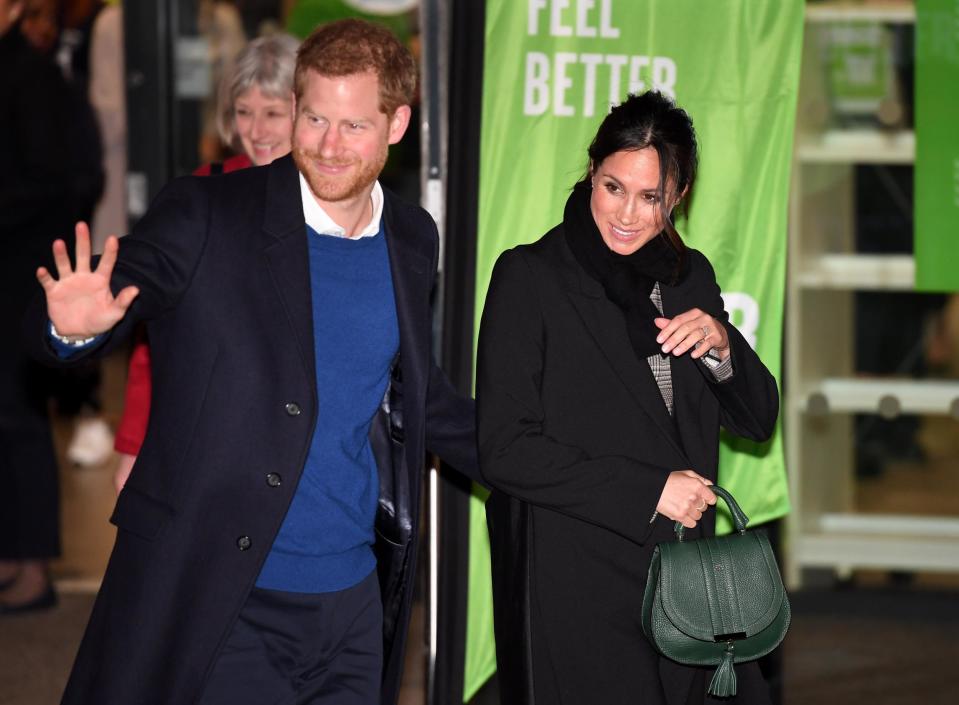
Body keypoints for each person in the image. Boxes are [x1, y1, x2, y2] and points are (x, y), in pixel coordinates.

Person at [25, 18, 478, 705]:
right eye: (314, 118)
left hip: (351, 601)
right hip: (228, 596)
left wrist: (581, 467)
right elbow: (125, 279)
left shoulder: (411, 237)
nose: (327, 146)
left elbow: (419, 399)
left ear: (397, 125)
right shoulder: (208, 212)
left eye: (352, 126)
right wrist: (71, 327)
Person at [476, 91, 779, 705]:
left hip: (683, 588)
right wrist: (650, 490)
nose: (628, 214)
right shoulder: (531, 277)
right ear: (592, 171)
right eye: (614, 187)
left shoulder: (689, 277)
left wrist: (723, 348)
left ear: (679, 195)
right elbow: (505, 449)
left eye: (651, 198)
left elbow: (759, 419)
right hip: (575, 581)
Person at [113, 32, 300, 493]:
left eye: (273, 113)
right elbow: (152, 335)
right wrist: (134, 444)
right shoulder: (202, 195)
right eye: (243, 113)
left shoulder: (335, 203)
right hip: (211, 434)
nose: (255, 132)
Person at [0, 0, 68, 615]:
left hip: (19, 272)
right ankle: (10, 557)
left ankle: (34, 570)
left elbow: (55, 179)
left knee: (19, 417)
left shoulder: (33, 73)